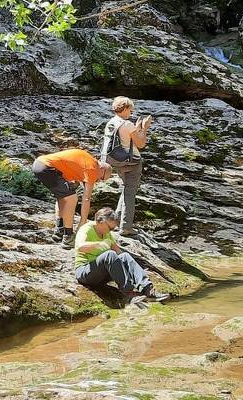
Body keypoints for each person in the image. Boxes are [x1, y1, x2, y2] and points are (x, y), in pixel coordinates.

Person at [74, 208, 169, 306]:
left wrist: (134, 269)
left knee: (125, 256)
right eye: (110, 228)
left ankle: (148, 289)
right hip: (84, 271)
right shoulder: (86, 229)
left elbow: (119, 254)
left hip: (102, 274)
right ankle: (128, 294)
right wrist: (98, 244)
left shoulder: (107, 234)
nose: (110, 231)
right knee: (110, 254)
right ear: (101, 221)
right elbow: (80, 247)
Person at [32, 148, 111, 246]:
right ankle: (68, 237)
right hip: (47, 168)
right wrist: (83, 222)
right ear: (102, 169)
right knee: (72, 198)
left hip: (40, 164)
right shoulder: (93, 169)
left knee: (63, 197)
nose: (99, 181)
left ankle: (60, 230)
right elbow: (86, 199)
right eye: (102, 178)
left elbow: (72, 171)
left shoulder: (88, 161)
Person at [100, 96, 152, 235]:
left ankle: (116, 223)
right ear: (126, 108)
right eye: (131, 109)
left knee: (124, 190)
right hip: (131, 162)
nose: (132, 111)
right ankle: (126, 227)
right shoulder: (127, 124)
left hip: (114, 161)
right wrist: (144, 128)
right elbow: (140, 144)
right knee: (129, 193)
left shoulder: (111, 122)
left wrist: (138, 128)